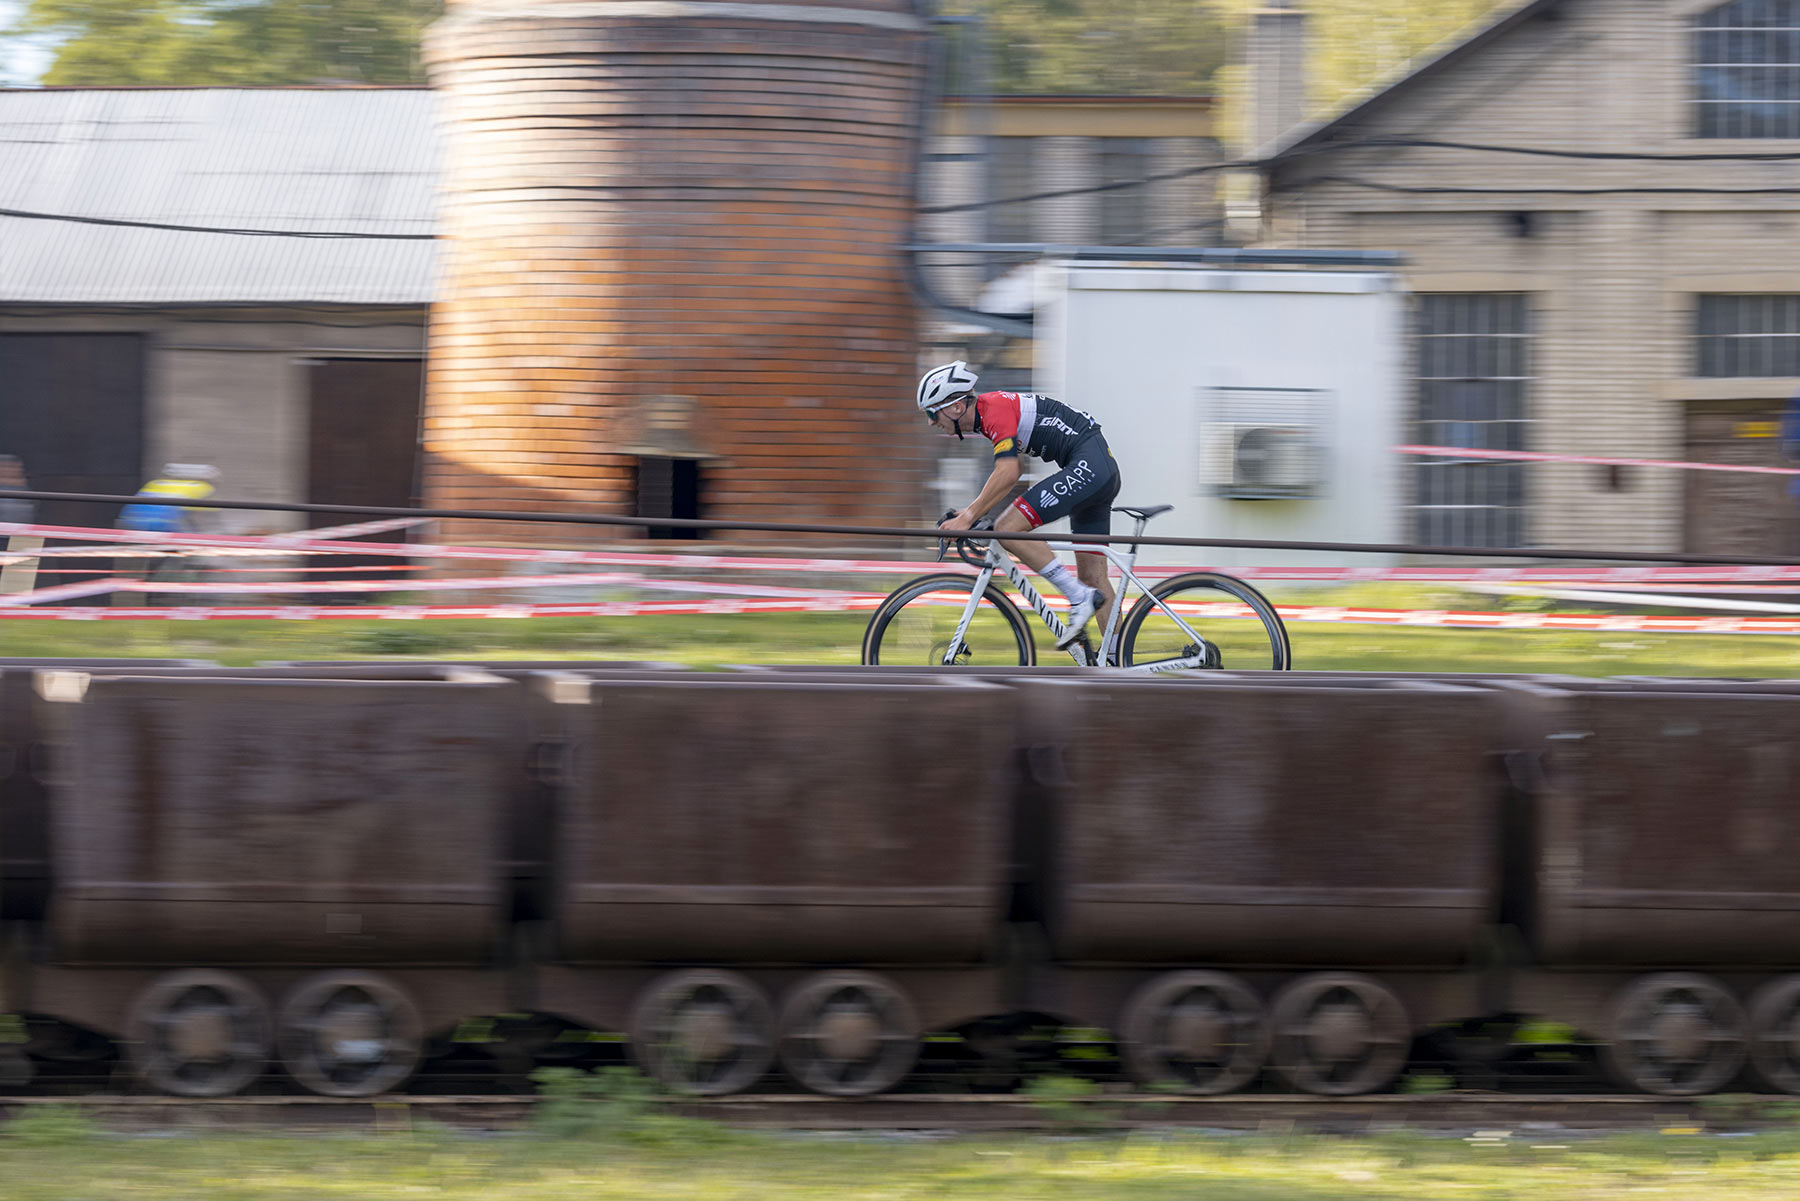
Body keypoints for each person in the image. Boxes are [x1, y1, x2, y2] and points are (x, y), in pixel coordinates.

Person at [917, 361, 1120, 648]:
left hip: (1090, 468)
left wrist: (971, 515)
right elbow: (1013, 467)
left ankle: (1078, 599)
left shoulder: (994, 409)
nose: (929, 421)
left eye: (931, 412)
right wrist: (970, 512)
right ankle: (1118, 658)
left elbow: (1009, 471)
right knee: (1093, 577)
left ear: (954, 407)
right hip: (1097, 470)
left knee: (1007, 527)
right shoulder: (989, 416)